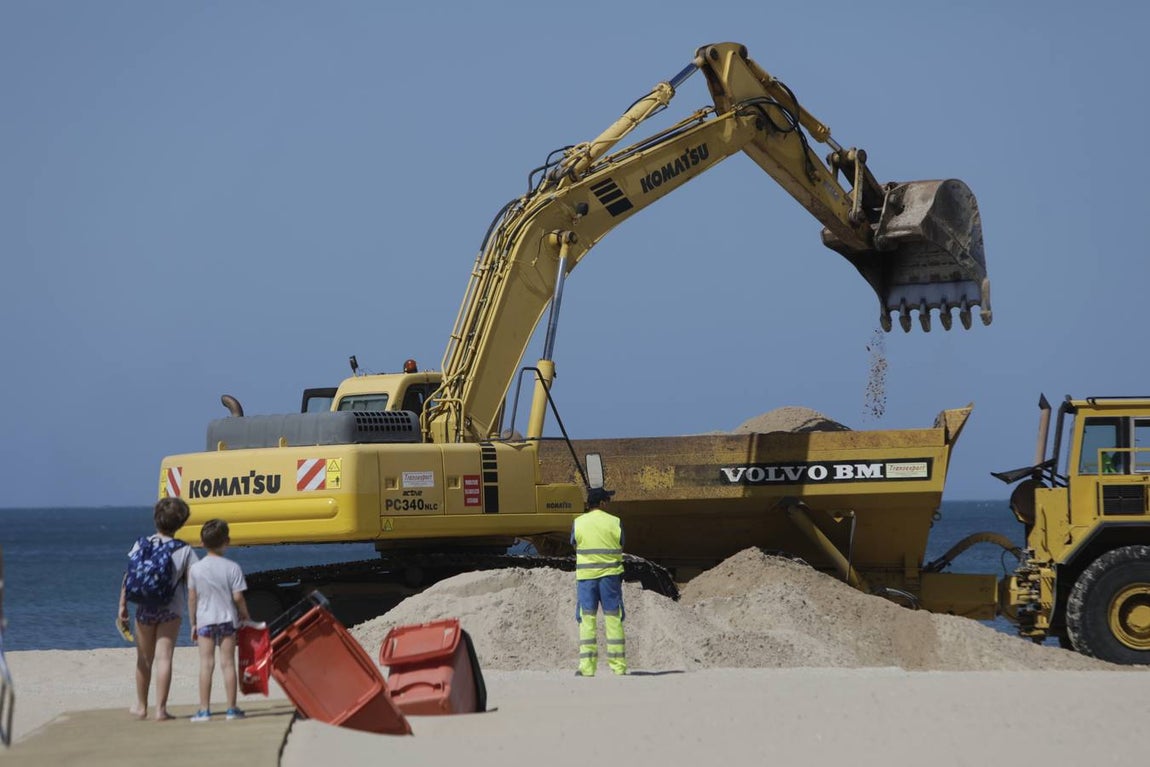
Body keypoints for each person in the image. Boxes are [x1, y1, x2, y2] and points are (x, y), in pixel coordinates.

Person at [118, 497, 199, 721]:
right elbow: (193, 589)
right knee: (164, 658)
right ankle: (161, 710)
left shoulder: (141, 544)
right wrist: (195, 621)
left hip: (144, 608)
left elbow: (128, 576)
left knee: (144, 659)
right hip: (170, 609)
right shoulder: (185, 551)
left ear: (156, 519)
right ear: (181, 523)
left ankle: (141, 706)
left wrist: (122, 605)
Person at [187, 518, 251, 722]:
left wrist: (193, 623)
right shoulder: (232, 568)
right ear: (227, 541)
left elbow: (192, 598)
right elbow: (238, 597)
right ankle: (231, 709)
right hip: (226, 620)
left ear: (202, 542)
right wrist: (245, 615)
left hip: (205, 620)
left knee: (206, 664)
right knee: (228, 664)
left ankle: (204, 710)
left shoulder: (195, 569)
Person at [571, 487, 627, 676]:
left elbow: (574, 542)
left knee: (587, 621)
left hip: (586, 580)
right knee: (613, 620)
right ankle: (618, 667)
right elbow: (622, 542)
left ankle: (587, 668)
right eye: (607, 501)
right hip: (610, 578)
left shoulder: (578, 522)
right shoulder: (615, 522)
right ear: (602, 503)